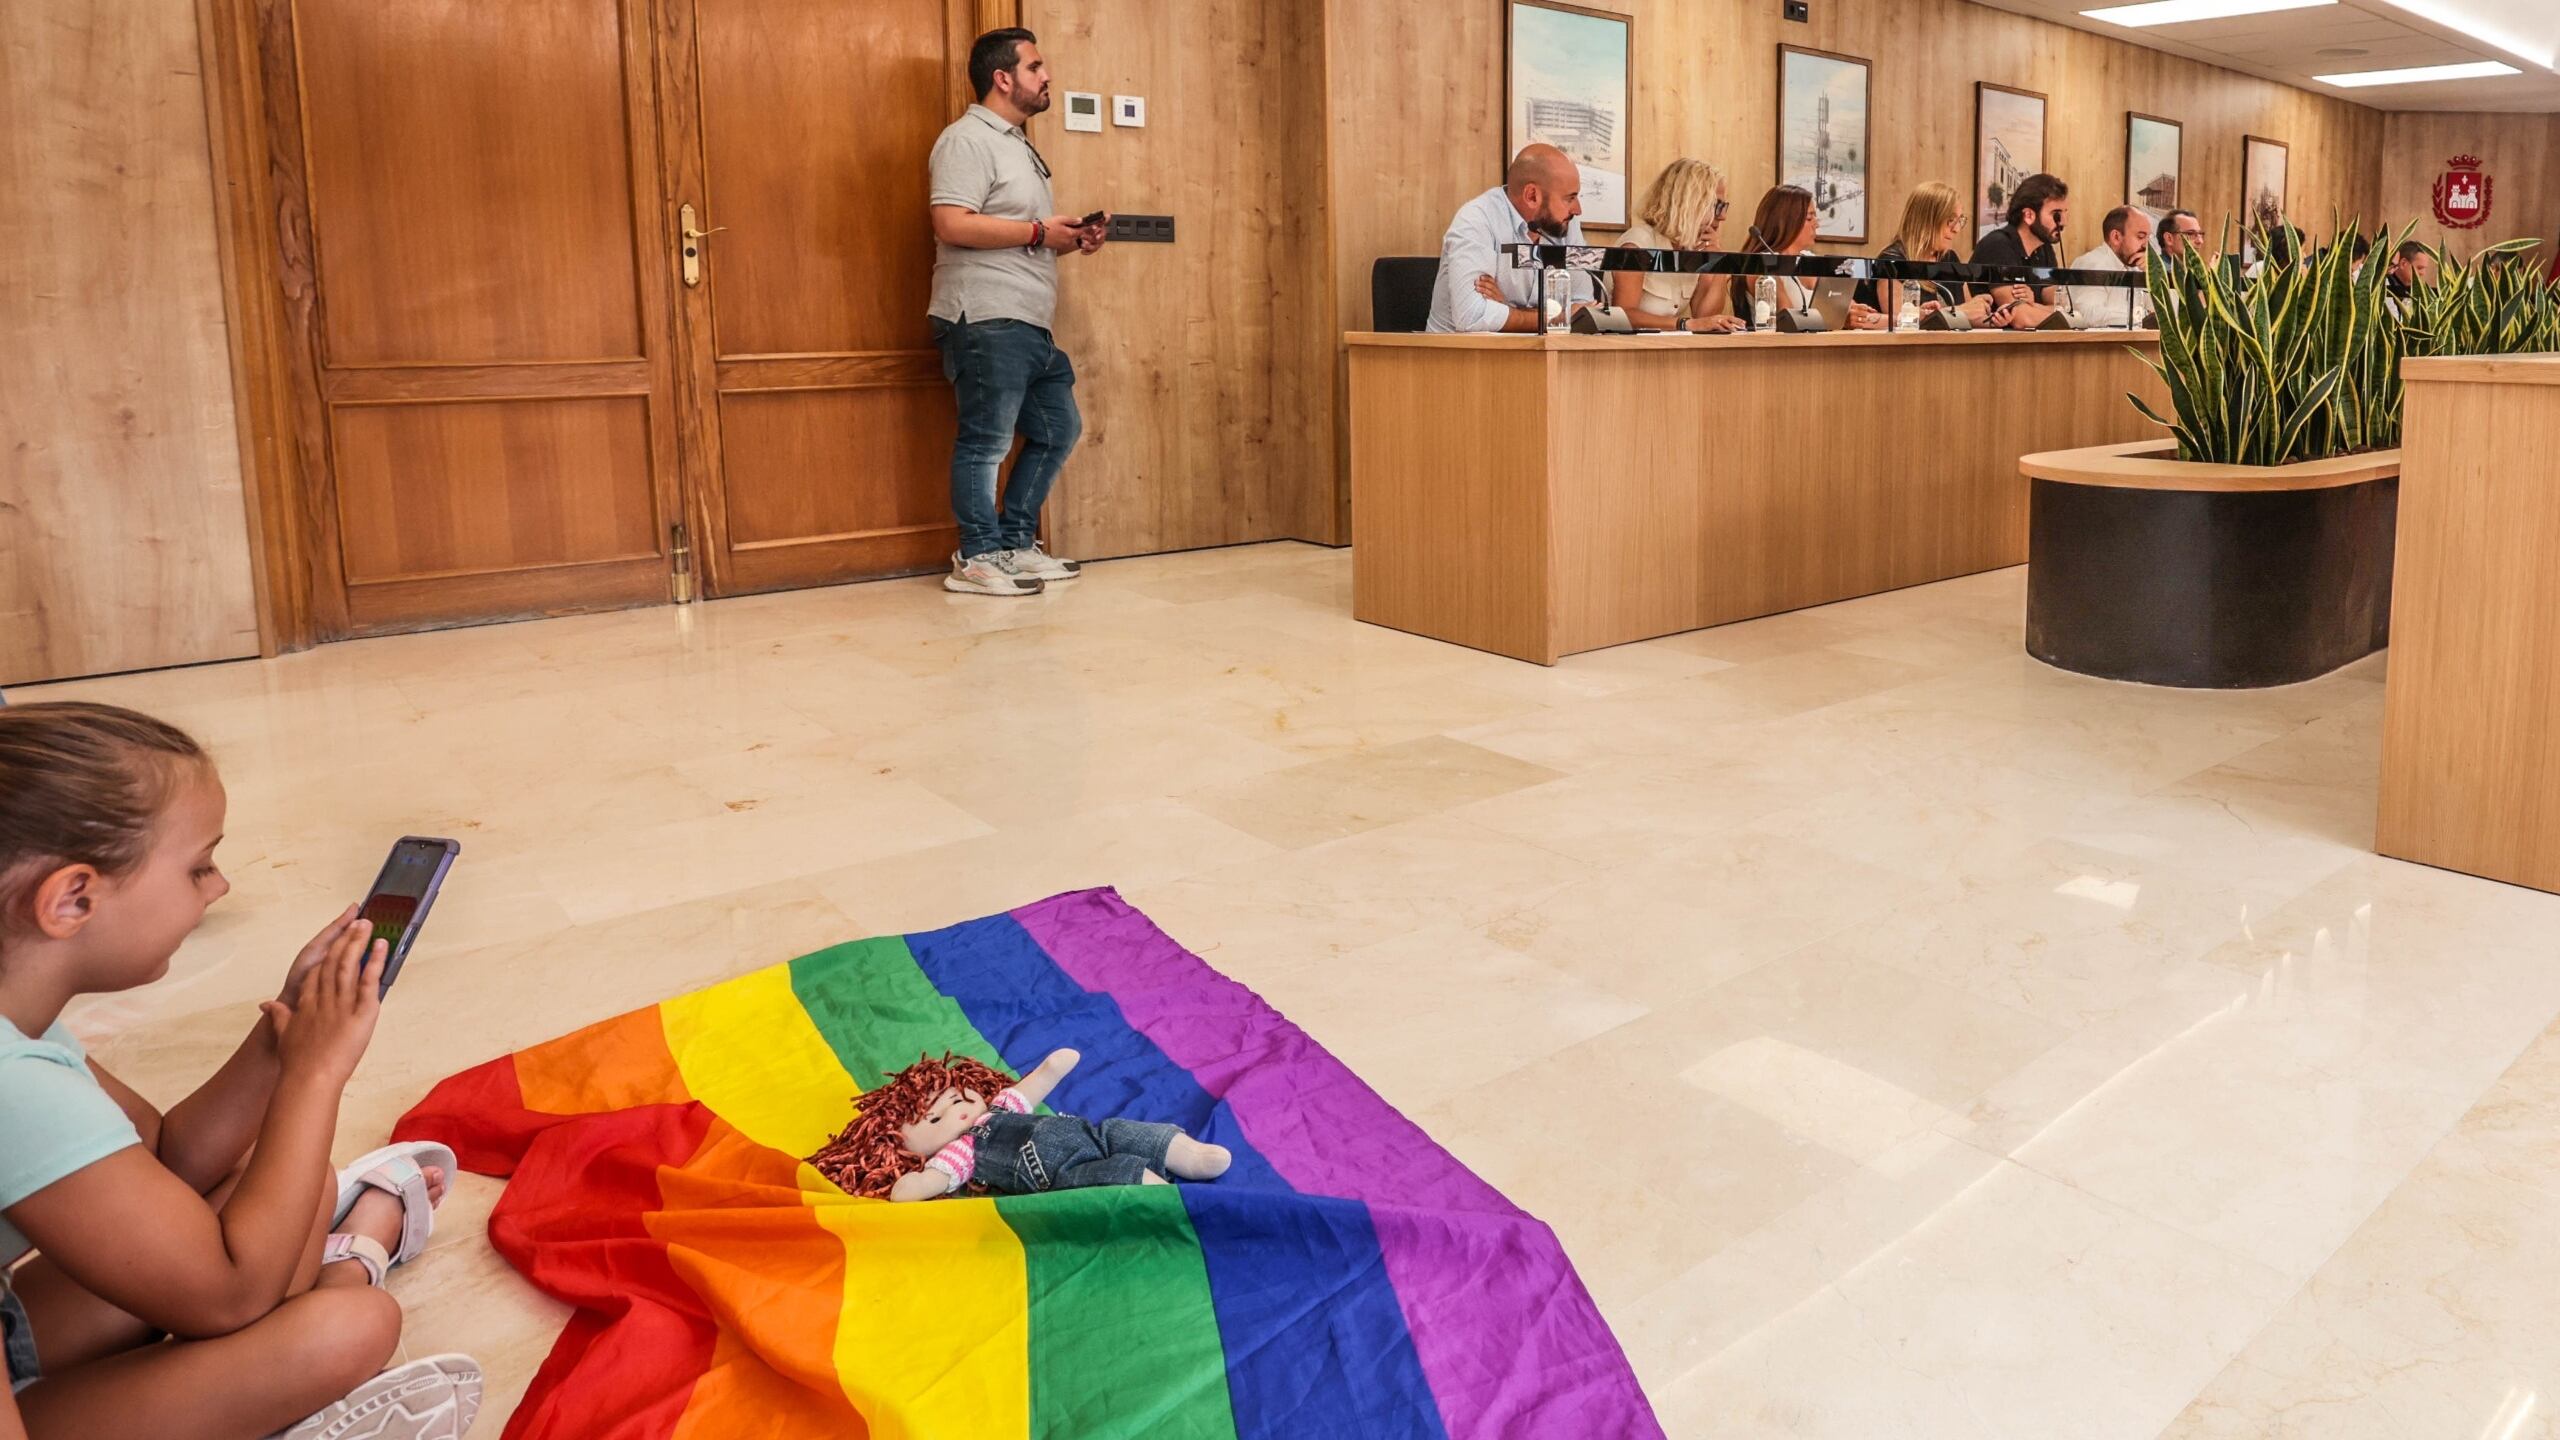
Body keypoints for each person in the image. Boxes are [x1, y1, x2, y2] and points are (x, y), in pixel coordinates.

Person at [0, 703, 479, 1440]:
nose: (219, 888)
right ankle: (356, 1257)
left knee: (290, 1181)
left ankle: (348, 1250)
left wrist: (281, 1031)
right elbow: (228, 1294)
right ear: (73, 898)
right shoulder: (14, 1085)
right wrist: (314, 1076)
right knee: (347, 1327)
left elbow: (164, 1159)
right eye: (199, 866)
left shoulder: (15, 1021)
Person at [926, 27, 1110, 598]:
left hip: (1028, 319)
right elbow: (951, 223)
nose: (1046, 75)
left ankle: (1016, 545)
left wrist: (1067, 237)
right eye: (1036, 67)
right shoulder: (966, 140)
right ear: (1003, 78)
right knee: (986, 440)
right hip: (983, 313)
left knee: (1059, 428)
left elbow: (1020, 229)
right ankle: (978, 557)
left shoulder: (1016, 143)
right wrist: (1037, 231)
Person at [1430, 144, 1592, 334]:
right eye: (1569, 198)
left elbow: (1583, 307)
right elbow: (1472, 317)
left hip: (1533, 355)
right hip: (1458, 358)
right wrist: (1557, 316)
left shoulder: (1564, 225)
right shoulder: (1476, 220)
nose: (1577, 209)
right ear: (1532, 196)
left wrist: (1510, 311)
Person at [1605, 159, 1746, 332]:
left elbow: (1705, 317)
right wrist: (1684, 324)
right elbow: (1623, 314)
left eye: (1724, 206)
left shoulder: (1693, 246)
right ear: (1688, 203)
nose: (1723, 216)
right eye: (1717, 205)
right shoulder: (1638, 244)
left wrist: (1719, 263)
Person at [1856, 182, 2000, 327]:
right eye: (1950, 220)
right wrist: (1961, 311)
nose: (1956, 229)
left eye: (1960, 220)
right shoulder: (1892, 262)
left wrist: (1993, 318)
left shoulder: (1950, 259)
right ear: (1927, 220)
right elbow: (1903, 325)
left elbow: (1967, 318)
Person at [1971, 172, 2068, 328]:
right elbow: (2021, 318)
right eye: (2056, 215)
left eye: (2065, 213)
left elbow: (2063, 307)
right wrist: (2042, 309)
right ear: (2029, 215)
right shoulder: (1998, 245)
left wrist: (2033, 305)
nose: (2063, 222)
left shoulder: (2045, 249)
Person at [2067, 206, 2154, 328]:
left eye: (2148, 238)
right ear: (2116, 237)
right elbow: (2089, 315)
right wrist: (2140, 318)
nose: (2146, 245)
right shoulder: (2093, 264)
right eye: (2140, 237)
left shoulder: (2136, 266)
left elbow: (2158, 315)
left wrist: (2152, 274)